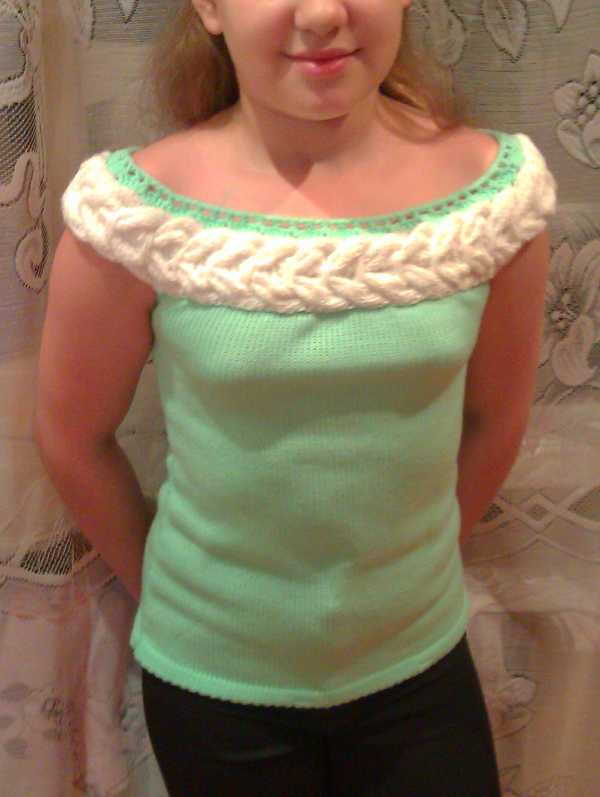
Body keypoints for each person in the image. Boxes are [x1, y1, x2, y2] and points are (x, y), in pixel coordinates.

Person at [34, 1, 557, 795]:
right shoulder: (136, 214)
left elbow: (497, 420)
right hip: (213, 689)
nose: (321, 13)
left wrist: (407, 577)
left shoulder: (493, 199)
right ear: (210, 7)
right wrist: (174, 595)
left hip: (419, 667)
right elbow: (72, 437)